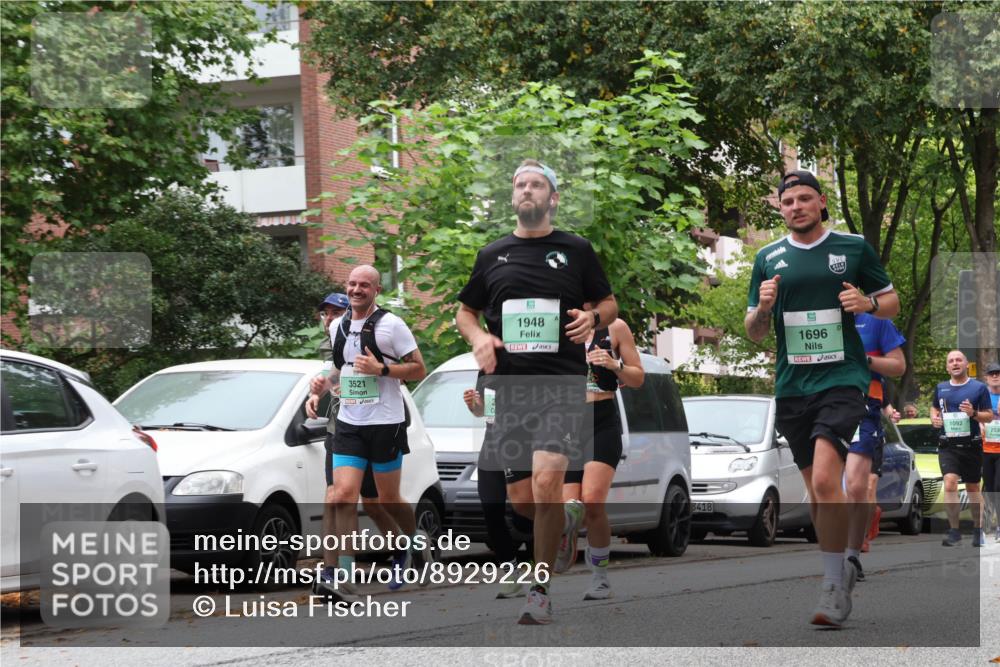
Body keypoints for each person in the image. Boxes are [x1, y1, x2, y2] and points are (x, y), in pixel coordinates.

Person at [456, 159, 618, 625]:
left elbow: (607, 301)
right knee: (525, 501)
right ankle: (565, 522)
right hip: (508, 391)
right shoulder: (492, 255)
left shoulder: (575, 249)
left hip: (561, 386)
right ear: (513, 197)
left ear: (553, 198)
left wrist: (595, 318)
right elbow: (464, 312)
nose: (527, 190)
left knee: (549, 483)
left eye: (536, 185)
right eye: (520, 184)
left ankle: (540, 590)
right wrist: (479, 338)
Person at [745, 170, 899, 627]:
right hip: (793, 386)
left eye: (804, 198)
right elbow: (754, 334)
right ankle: (841, 566)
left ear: (821, 202)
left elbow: (890, 300)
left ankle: (832, 587)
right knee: (817, 490)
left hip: (843, 378)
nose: (796, 206)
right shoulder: (767, 257)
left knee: (829, 480)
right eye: (788, 200)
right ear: (780, 208)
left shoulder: (852, 248)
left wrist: (867, 305)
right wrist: (764, 308)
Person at [309, 265, 428, 601]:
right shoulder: (337, 327)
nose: (356, 289)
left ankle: (415, 540)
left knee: (388, 499)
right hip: (349, 422)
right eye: (352, 284)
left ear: (376, 290)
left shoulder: (392, 325)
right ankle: (344, 578)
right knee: (343, 495)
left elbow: (419, 368)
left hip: (386, 423)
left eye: (364, 285)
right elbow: (341, 366)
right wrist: (322, 386)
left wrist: (382, 369)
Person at [557, 317, 644, 600]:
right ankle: (566, 534)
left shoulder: (614, 328)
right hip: (566, 422)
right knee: (569, 507)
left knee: (592, 500)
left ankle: (600, 578)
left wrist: (614, 364)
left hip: (602, 420)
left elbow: (638, 377)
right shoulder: (557, 328)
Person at [844, 312, 906, 581]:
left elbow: (897, 367)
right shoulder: (817, 316)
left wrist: (865, 359)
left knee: (863, 486)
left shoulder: (876, 322)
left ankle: (853, 551)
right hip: (823, 406)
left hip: (864, 408)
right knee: (827, 485)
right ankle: (847, 546)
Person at [462, 375, 534, 599]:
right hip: (493, 440)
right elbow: (482, 410)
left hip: (521, 440)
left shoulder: (524, 361)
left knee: (525, 512)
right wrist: (473, 404)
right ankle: (510, 573)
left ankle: (540, 560)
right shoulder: (486, 367)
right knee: (490, 507)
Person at [931, 350, 993, 547]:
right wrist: (934, 418)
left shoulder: (979, 388)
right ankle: (954, 531)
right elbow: (934, 407)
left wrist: (973, 412)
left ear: (966, 364)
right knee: (949, 483)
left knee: (973, 487)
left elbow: (989, 416)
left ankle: (977, 529)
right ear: (947, 367)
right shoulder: (941, 388)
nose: (955, 363)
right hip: (948, 444)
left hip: (971, 444)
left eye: (959, 360)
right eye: (951, 361)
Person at [982, 362, 1000, 542]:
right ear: (986, 377)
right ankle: (989, 521)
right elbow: (972, 415)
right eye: (992, 374)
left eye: (998, 373)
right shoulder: (981, 396)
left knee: (997, 486)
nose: (995, 376)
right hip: (985, 449)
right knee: (988, 487)